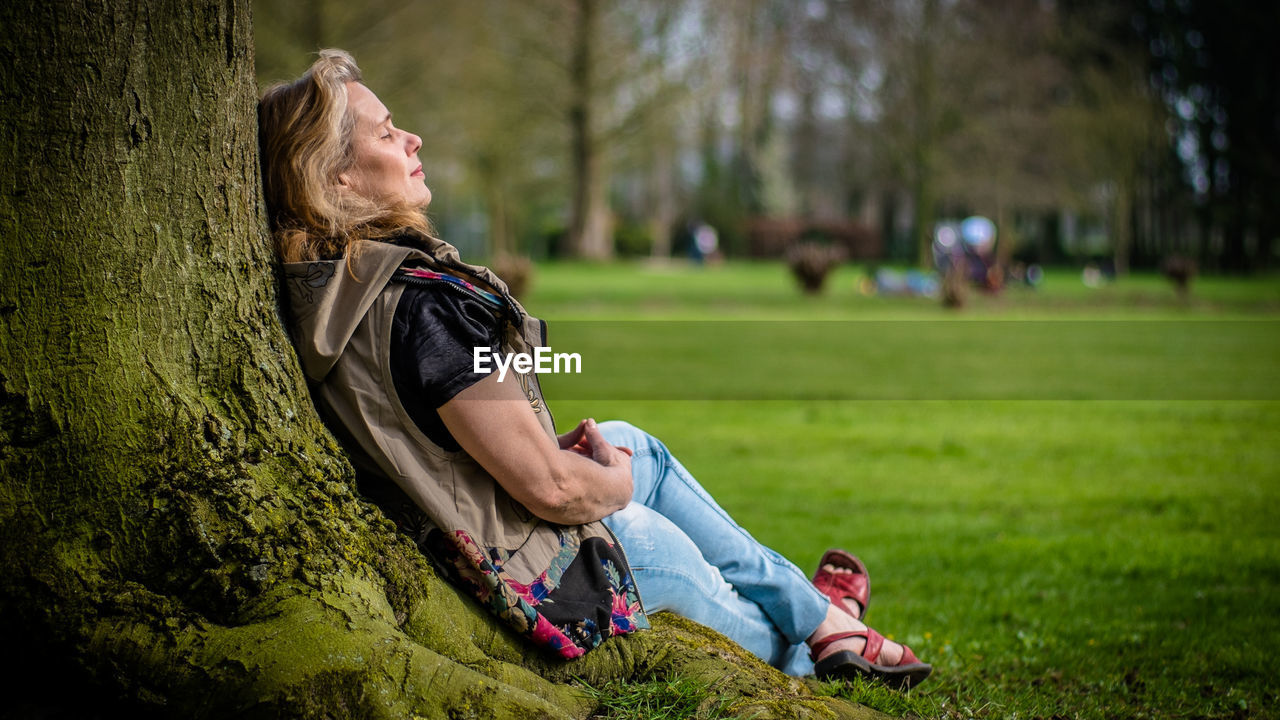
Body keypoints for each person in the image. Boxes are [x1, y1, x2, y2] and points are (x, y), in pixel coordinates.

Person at [258, 49, 931, 689]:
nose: (414, 140)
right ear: (335, 174)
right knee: (669, 532)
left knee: (644, 449)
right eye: (387, 133)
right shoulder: (424, 308)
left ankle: (820, 614)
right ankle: (822, 636)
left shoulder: (328, 290)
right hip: (560, 575)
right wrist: (610, 484)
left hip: (470, 547)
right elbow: (551, 490)